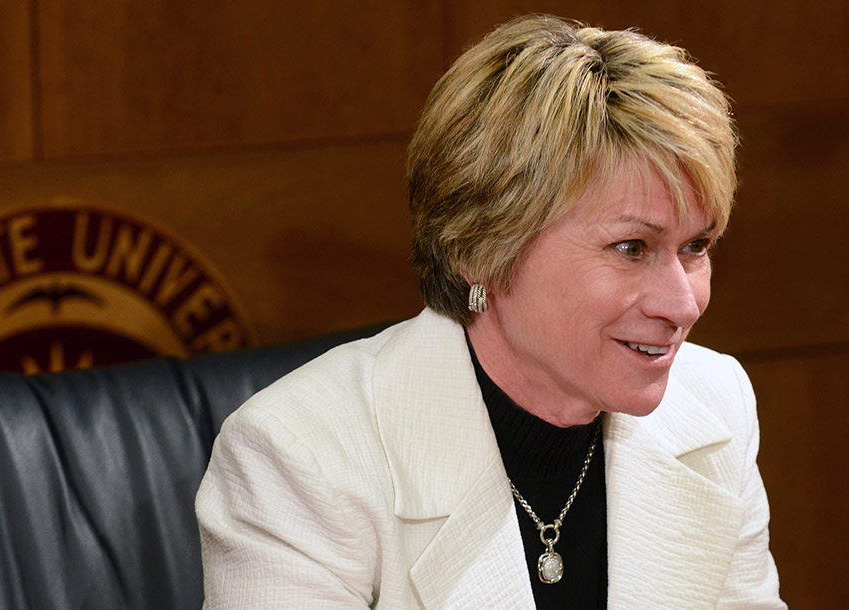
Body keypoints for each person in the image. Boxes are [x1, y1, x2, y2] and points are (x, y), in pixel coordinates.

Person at [197, 14, 785, 609]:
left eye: (696, 247)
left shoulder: (714, 403)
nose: (682, 303)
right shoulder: (302, 457)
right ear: (479, 248)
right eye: (631, 249)